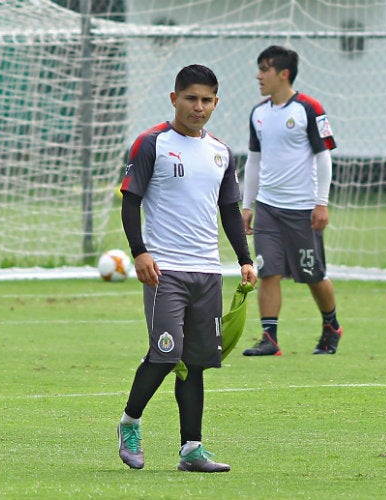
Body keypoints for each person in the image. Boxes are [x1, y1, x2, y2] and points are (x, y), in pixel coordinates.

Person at [116, 64, 257, 473]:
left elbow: (229, 210)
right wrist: (140, 252)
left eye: (207, 100)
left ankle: (191, 450)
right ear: (174, 98)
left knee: (194, 363)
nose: (199, 107)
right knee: (166, 353)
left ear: (216, 102)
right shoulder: (151, 143)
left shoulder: (220, 152)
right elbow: (130, 202)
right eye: (191, 98)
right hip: (165, 270)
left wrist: (244, 259)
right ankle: (130, 423)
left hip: (207, 273)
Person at [240, 45, 343, 356]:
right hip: (268, 209)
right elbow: (253, 162)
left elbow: (323, 158)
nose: (258, 75)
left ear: (283, 74)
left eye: (265, 69)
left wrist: (321, 203)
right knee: (266, 270)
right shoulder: (258, 113)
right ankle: (269, 339)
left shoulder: (309, 109)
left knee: (313, 274)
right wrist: (248, 205)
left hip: (303, 210)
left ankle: (331, 326)